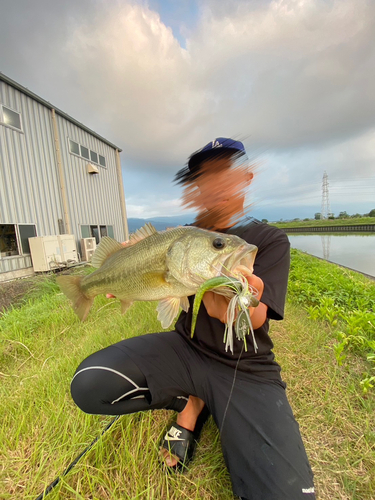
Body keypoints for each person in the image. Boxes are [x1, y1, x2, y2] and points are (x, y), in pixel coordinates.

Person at [70, 138, 316, 500]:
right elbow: (158, 273)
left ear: (245, 178)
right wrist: (126, 268)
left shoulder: (267, 241)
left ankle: (202, 403)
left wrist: (241, 292)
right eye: (205, 178)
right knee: (89, 384)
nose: (215, 188)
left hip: (245, 367)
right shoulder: (182, 237)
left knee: (288, 495)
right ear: (195, 190)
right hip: (185, 349)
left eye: (225, 175)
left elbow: (255, 318)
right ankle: (191, 401)